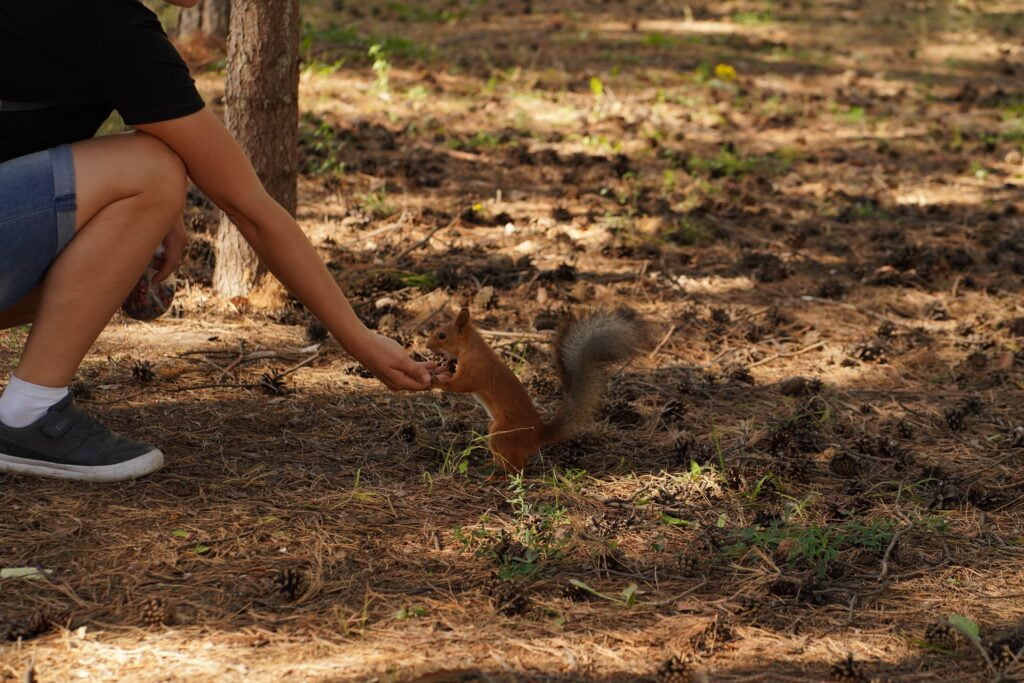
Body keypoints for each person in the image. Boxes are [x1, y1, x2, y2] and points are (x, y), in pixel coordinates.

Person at [0, 0, 436, 482]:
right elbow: (251, 209)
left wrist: (144, 216)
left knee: (132, 225)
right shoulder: (110, 24)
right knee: (152, 172)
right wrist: (362, 342)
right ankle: (28, 413)